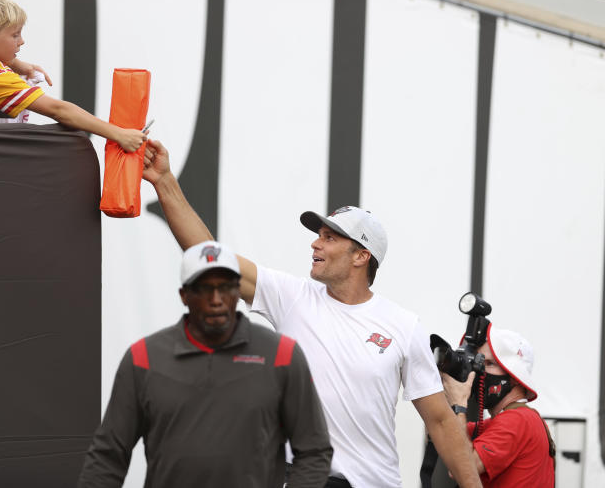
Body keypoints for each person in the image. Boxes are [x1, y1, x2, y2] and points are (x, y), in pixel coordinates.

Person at [140, 139, 482, 488]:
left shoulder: (404, 326)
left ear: (361, 256)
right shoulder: (292, 296)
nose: (315, 243)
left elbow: (440, 422)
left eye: (330, 238)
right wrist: (165, 181)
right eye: (318, 235)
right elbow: (209, 256)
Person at [78, 241, 333, 488]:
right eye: (203, 288)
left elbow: (313, 450)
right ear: (184, 295)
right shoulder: (144, 358)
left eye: (226, 287)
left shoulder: (281, 355)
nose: (216, 299)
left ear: (237, 291)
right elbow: (108, 456)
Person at [0, 0, 146, 152]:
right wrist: (119, 134)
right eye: (15, 35)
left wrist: (17, 64)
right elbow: (58, 110)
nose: (22, 41)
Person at [441, 324, 555, 487]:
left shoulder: (517, 420)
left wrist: (459, 404)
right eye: (479, 362)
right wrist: (443, 384)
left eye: (489, 363)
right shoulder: (517, 419)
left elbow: (462, 468)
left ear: (515, 377)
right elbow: (441, 434)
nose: (479, 370)